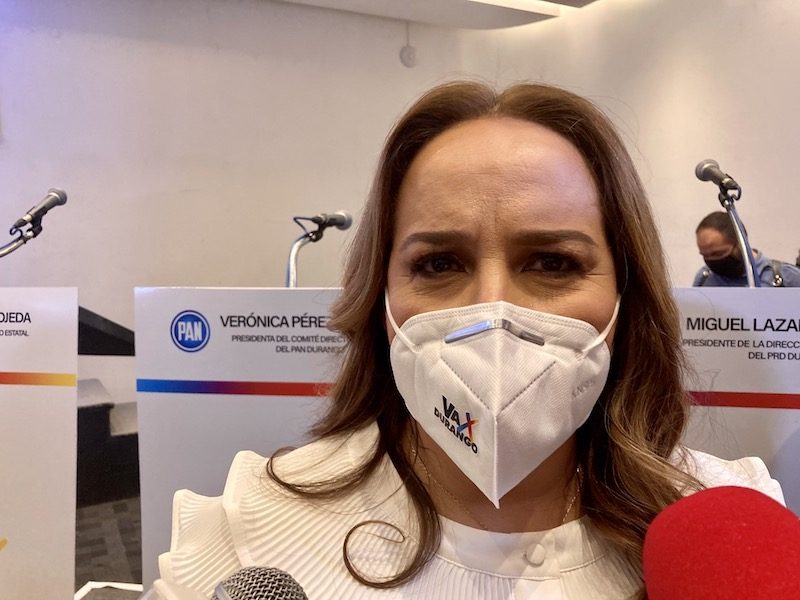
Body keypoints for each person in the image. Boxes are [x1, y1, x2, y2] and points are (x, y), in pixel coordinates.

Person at [152, 82, 784, 600]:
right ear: (380, 298)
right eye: (438, 264)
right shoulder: (250, 531)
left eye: (553, 262)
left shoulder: (733, 533)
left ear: (626, 295)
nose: (492, 311)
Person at [693, 211, 800, 287]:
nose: (711, 261)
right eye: (705, 255)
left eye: (717, 254)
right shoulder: (704, 279)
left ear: (741, 244)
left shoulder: (787, 277)